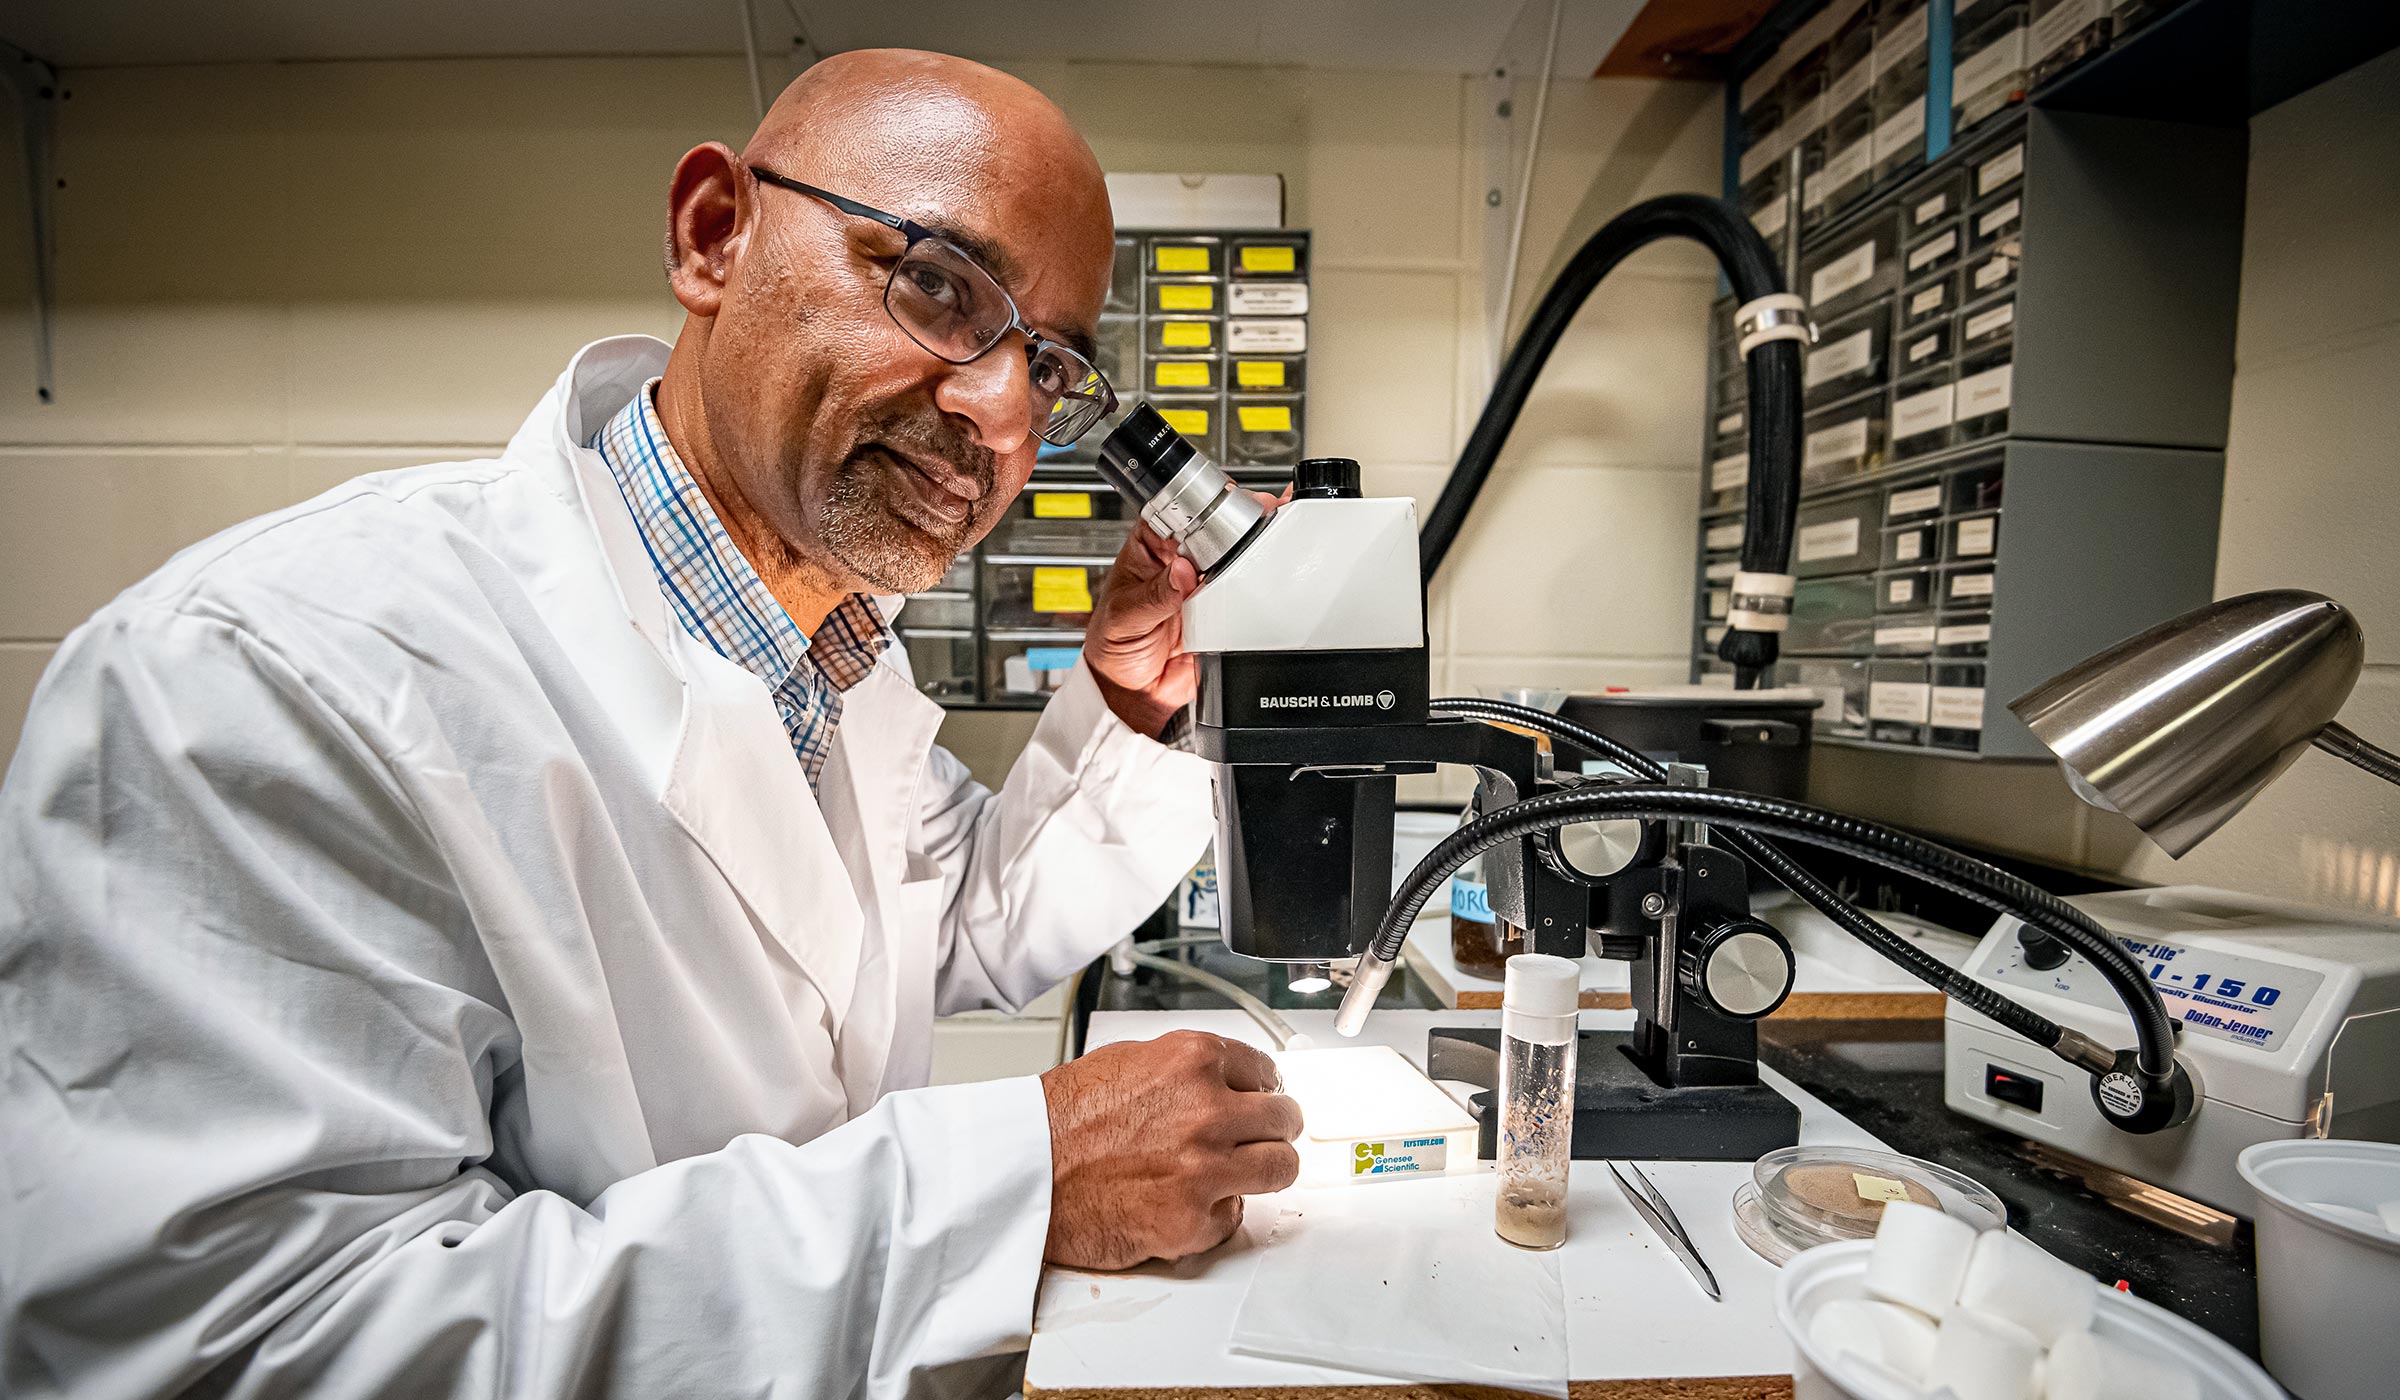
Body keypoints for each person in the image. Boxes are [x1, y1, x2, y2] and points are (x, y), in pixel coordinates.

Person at [0, 49, 1303, 1399]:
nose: (997, 407)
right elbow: (254, 1351)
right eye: (935, 286)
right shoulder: (259, 678)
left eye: (1050, 363)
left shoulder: (838, 655)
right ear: (713, 236)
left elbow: (941, 930)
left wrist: (1135, 705)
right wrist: (1005, 1187)